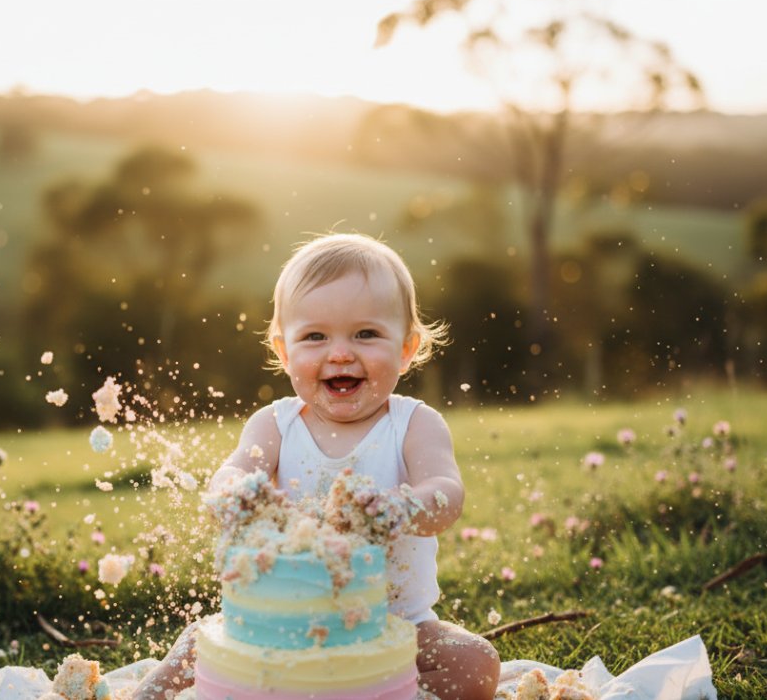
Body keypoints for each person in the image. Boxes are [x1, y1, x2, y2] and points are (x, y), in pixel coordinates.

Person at [133, 233, 501, 700]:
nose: (341, 353)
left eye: (366, 334)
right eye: (314, 337)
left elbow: (446, 492)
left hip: (392, 628)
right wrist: (239, 494)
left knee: (475, 663)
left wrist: (401, 508)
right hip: (280, 629)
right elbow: (232, 471)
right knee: (199, 642)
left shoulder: (414, 425)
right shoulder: (275, 425)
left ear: (407, 347)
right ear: (283, 351)